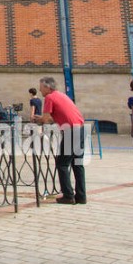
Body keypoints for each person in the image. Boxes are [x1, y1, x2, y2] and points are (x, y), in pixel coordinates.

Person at [34, 76, 87, 205]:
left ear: (47, 87)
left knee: (62, 164)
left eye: (41, 87)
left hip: (70, 131)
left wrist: (38, 119)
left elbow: (46, 119)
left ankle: (68, 196)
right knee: (77, 163)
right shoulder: (61, 95)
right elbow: (56, 117)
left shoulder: (49, 98)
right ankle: (81, 196)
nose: (40, 90)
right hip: (80, 128)